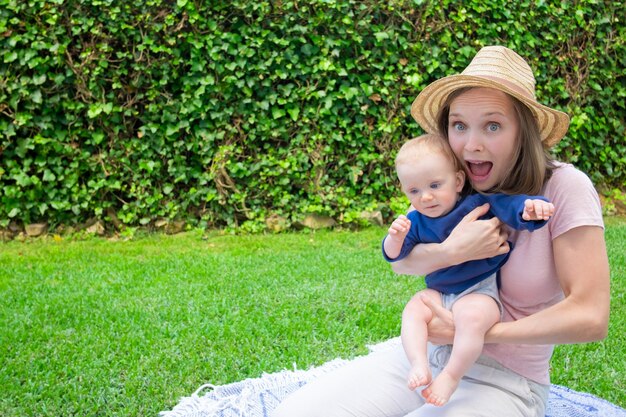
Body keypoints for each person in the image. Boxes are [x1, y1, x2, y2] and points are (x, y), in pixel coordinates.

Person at [272, 45, 610, 417]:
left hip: (506, 379)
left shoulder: (564, 187)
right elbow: (402, 263)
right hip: (425, 359)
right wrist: (453, 252)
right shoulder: (449, 178)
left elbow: (591, 317)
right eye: (459, 125)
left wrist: (474, 332)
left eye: (493, 125)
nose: (471, 144)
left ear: (523, 132)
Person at [383, 133, 554, 406]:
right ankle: (418, 363)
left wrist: (529, 209)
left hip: (479, 288)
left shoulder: (475, 203)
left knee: (472, 319)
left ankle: (451, 375)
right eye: (414, 191)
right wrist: (395, 237)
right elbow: (396, 257)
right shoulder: (416, 220)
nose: (425, 197)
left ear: (458, 181)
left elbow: (509, 206)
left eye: (435, 185)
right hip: (438, 291)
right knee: (413, 310)